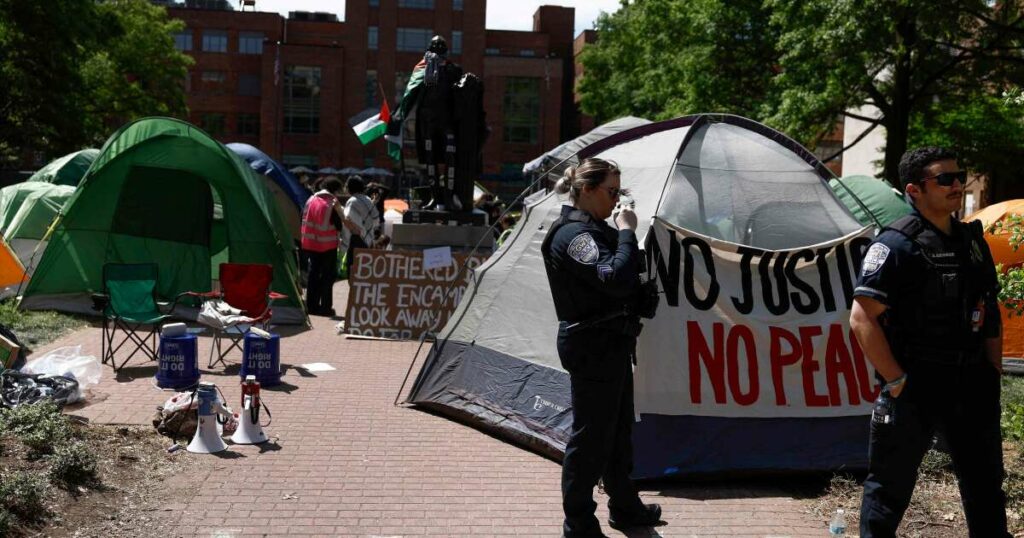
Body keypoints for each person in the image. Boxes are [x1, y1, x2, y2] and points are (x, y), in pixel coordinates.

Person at [851, 146, 1009, 537]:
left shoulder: (972, 241)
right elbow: (861, 317)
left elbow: (988, 308)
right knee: (889, 491)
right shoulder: (896, 244)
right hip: (914, 385)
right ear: (915, 189)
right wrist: (895, 380)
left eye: (960, 176)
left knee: (986, 488)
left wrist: (993, 369)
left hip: (971, 381)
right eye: (945, 179)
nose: (957, 185)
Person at [541, 158, 661, 538]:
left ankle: (625, 506)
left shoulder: (595, 230)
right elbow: (613, 277)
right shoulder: (574, 235)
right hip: (592, 345)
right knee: (591, 437)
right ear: (587, 190)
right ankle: (577, 522)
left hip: (612, 341)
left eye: (619, 193)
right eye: (611, 192)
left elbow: (627, 280)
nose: (617, 202)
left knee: (618, 432)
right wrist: (628, 233)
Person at [301, 177, 358, 317]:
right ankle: (325, 307)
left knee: (313, 275)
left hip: (310, 244)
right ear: (335, 190)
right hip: (328, 245)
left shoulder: (311, 200)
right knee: (327, 276)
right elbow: (339, 224)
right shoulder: (332, 203)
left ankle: (311, 306)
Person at [343, 175, 380, 276]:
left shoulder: (352, 201)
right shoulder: (368, 200)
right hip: (368, 240)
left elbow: (347, 219)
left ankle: (353, 291)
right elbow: (376, 219)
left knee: (353, 270)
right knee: (364, 270)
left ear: (350, 187)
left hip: (356, 239)